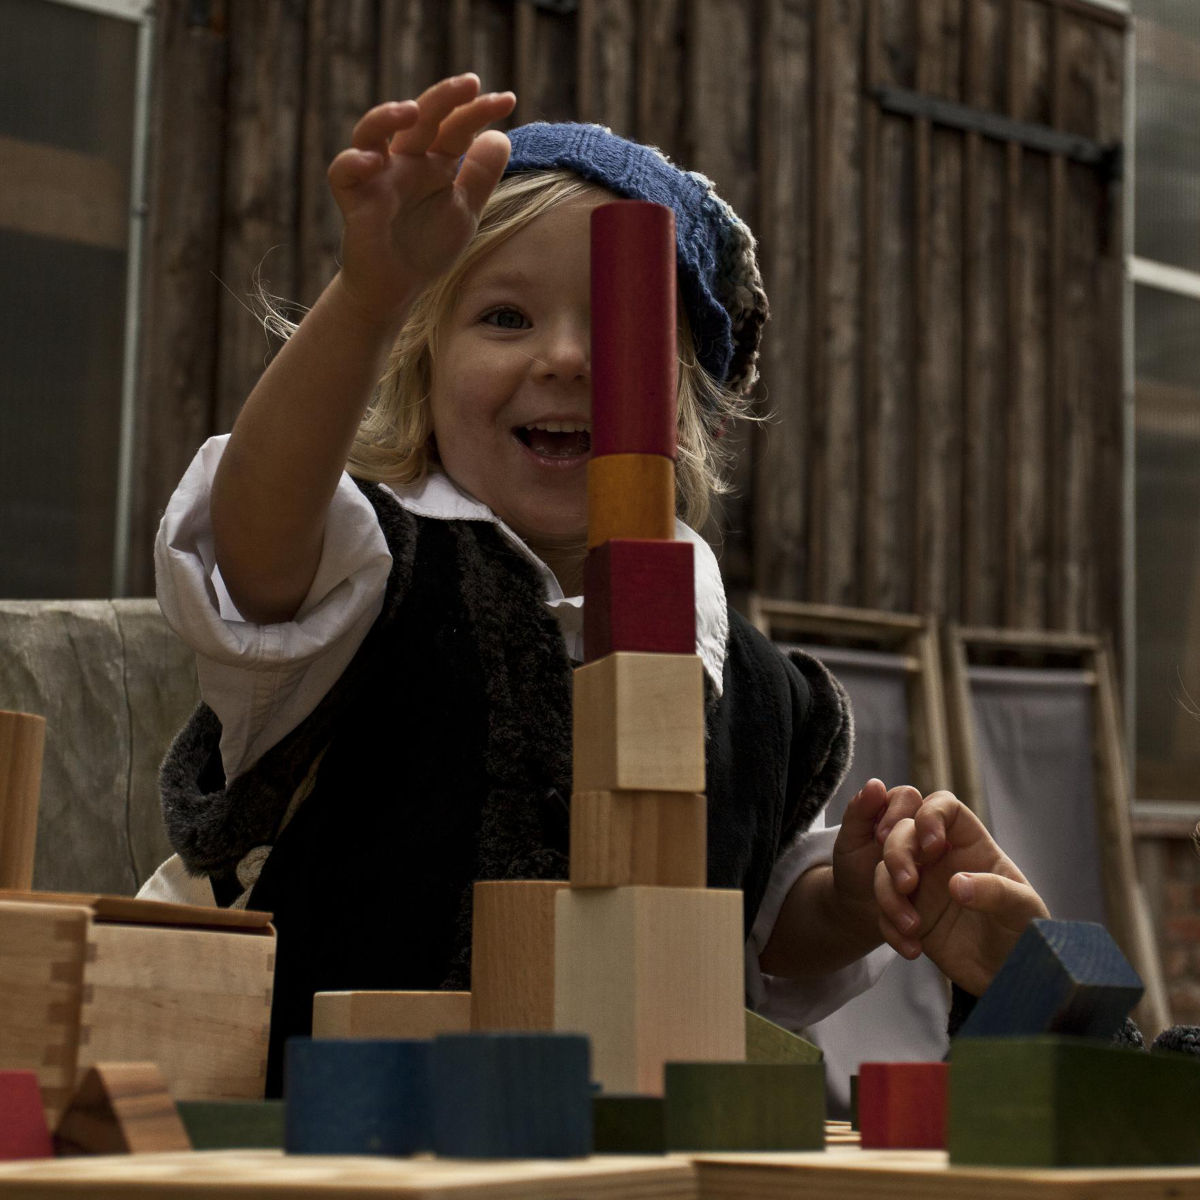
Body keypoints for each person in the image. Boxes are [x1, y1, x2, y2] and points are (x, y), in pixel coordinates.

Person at [142, 73, 1049, 1092]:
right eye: (504, 318)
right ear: (420, 368)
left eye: (620, 329)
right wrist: (368, 296)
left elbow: (738, 911)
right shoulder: (363, 565)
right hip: (331, 1136)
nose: (567, 358)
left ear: (689, 405)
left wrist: (844, 899)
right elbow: (254, 537)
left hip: (615, 1142)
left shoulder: (745, 676)